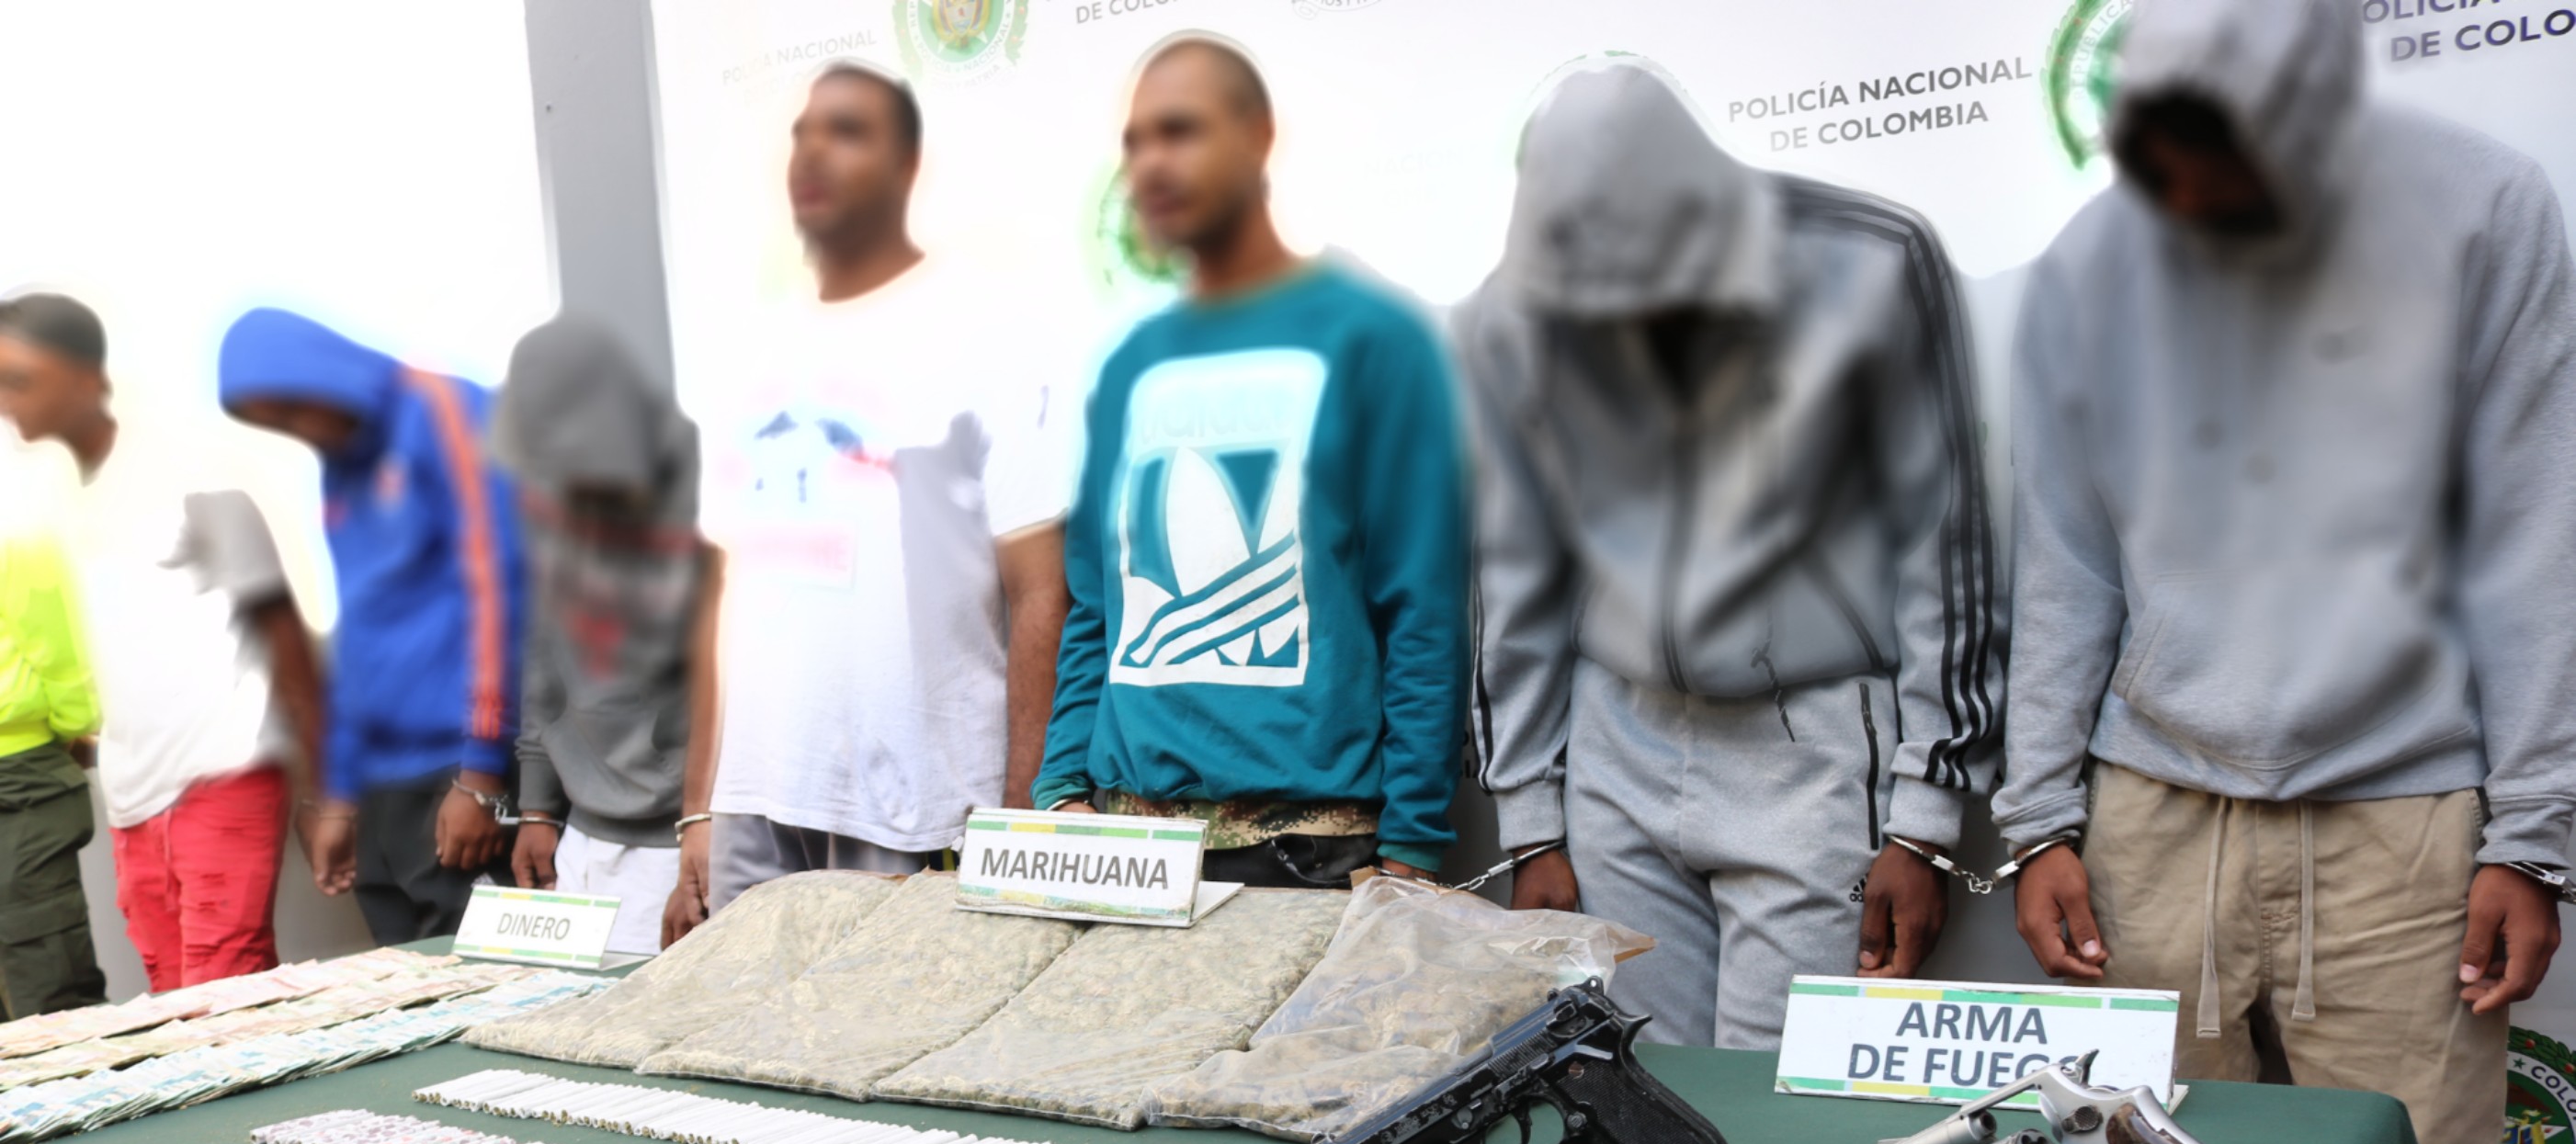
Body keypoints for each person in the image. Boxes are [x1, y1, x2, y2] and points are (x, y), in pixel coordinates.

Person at [1991, 0, 2573, 1144]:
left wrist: (2533, 829)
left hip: (2404, 811)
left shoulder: (2480, 210)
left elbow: (2531, 528)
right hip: (2149, 804)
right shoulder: (2092, 257)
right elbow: (2062, 552)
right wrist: (2035, 816)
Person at [1457, 62, 2002, 1046]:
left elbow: (1943, 539)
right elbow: (1512, 567)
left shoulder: (1872, 260)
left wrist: (1924, 818)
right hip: (1614, 739)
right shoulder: (1512, 307)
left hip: (1808, 745)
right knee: (1638, 1086)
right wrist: (1530, 822)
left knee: (1781, 1097)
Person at [1032, 37, 1470, 889]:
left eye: (1180, 131)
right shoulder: (1128, 366)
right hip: (1126, 845)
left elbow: (1422, 606)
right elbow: (1095, 604)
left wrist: (1413, 841)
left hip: (1309, 845)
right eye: (1135, 142)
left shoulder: (1373, 340)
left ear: (1258, 137)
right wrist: (1062, 787)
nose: (1151, 164)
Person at [693, 62, 1071, 911]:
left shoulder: (988, 328)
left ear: (906, 166)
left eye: (847, 131)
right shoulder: (749, 347)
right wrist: (699, 807)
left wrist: (1023, 821)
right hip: (755, 801)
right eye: (802, 133)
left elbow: (1041, 591)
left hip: (917, 803)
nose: (812, 152)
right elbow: (722, 595)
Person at [0, 292, 326, 991]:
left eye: (18, 380)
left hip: (222, 770)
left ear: (86, 378)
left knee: (224, 997)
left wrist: (328, 795)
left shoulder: (192, 471)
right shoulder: (56, 497)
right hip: (131, 788)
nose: (4, 401)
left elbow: (284, 635)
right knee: (172, 1006)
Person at [217, 308, 527, 944]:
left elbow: (502, 593)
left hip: (458, 770)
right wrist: (338, 793)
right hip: (381, 784)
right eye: (278, 425)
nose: (298, 431)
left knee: (499, 981)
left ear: (321, 373)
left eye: (292, 409)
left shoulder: (443, 408)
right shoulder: (339, 463)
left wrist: (482, 775)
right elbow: (359, 627)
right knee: (409, 987)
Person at [492, 312, 712, 956]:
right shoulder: (548, 505)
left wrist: (702, 826)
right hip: (580, 834)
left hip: (677, 838)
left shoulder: (702, 498)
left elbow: (726, 682)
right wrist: (538, 808)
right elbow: (542, 663)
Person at [0, 366, 103, 1018]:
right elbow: (53, 633)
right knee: (43, 985)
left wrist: (71, 722)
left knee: (46, 991)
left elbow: (52, 632)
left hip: (20, 777)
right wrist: (73, 722)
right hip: (24, 765)